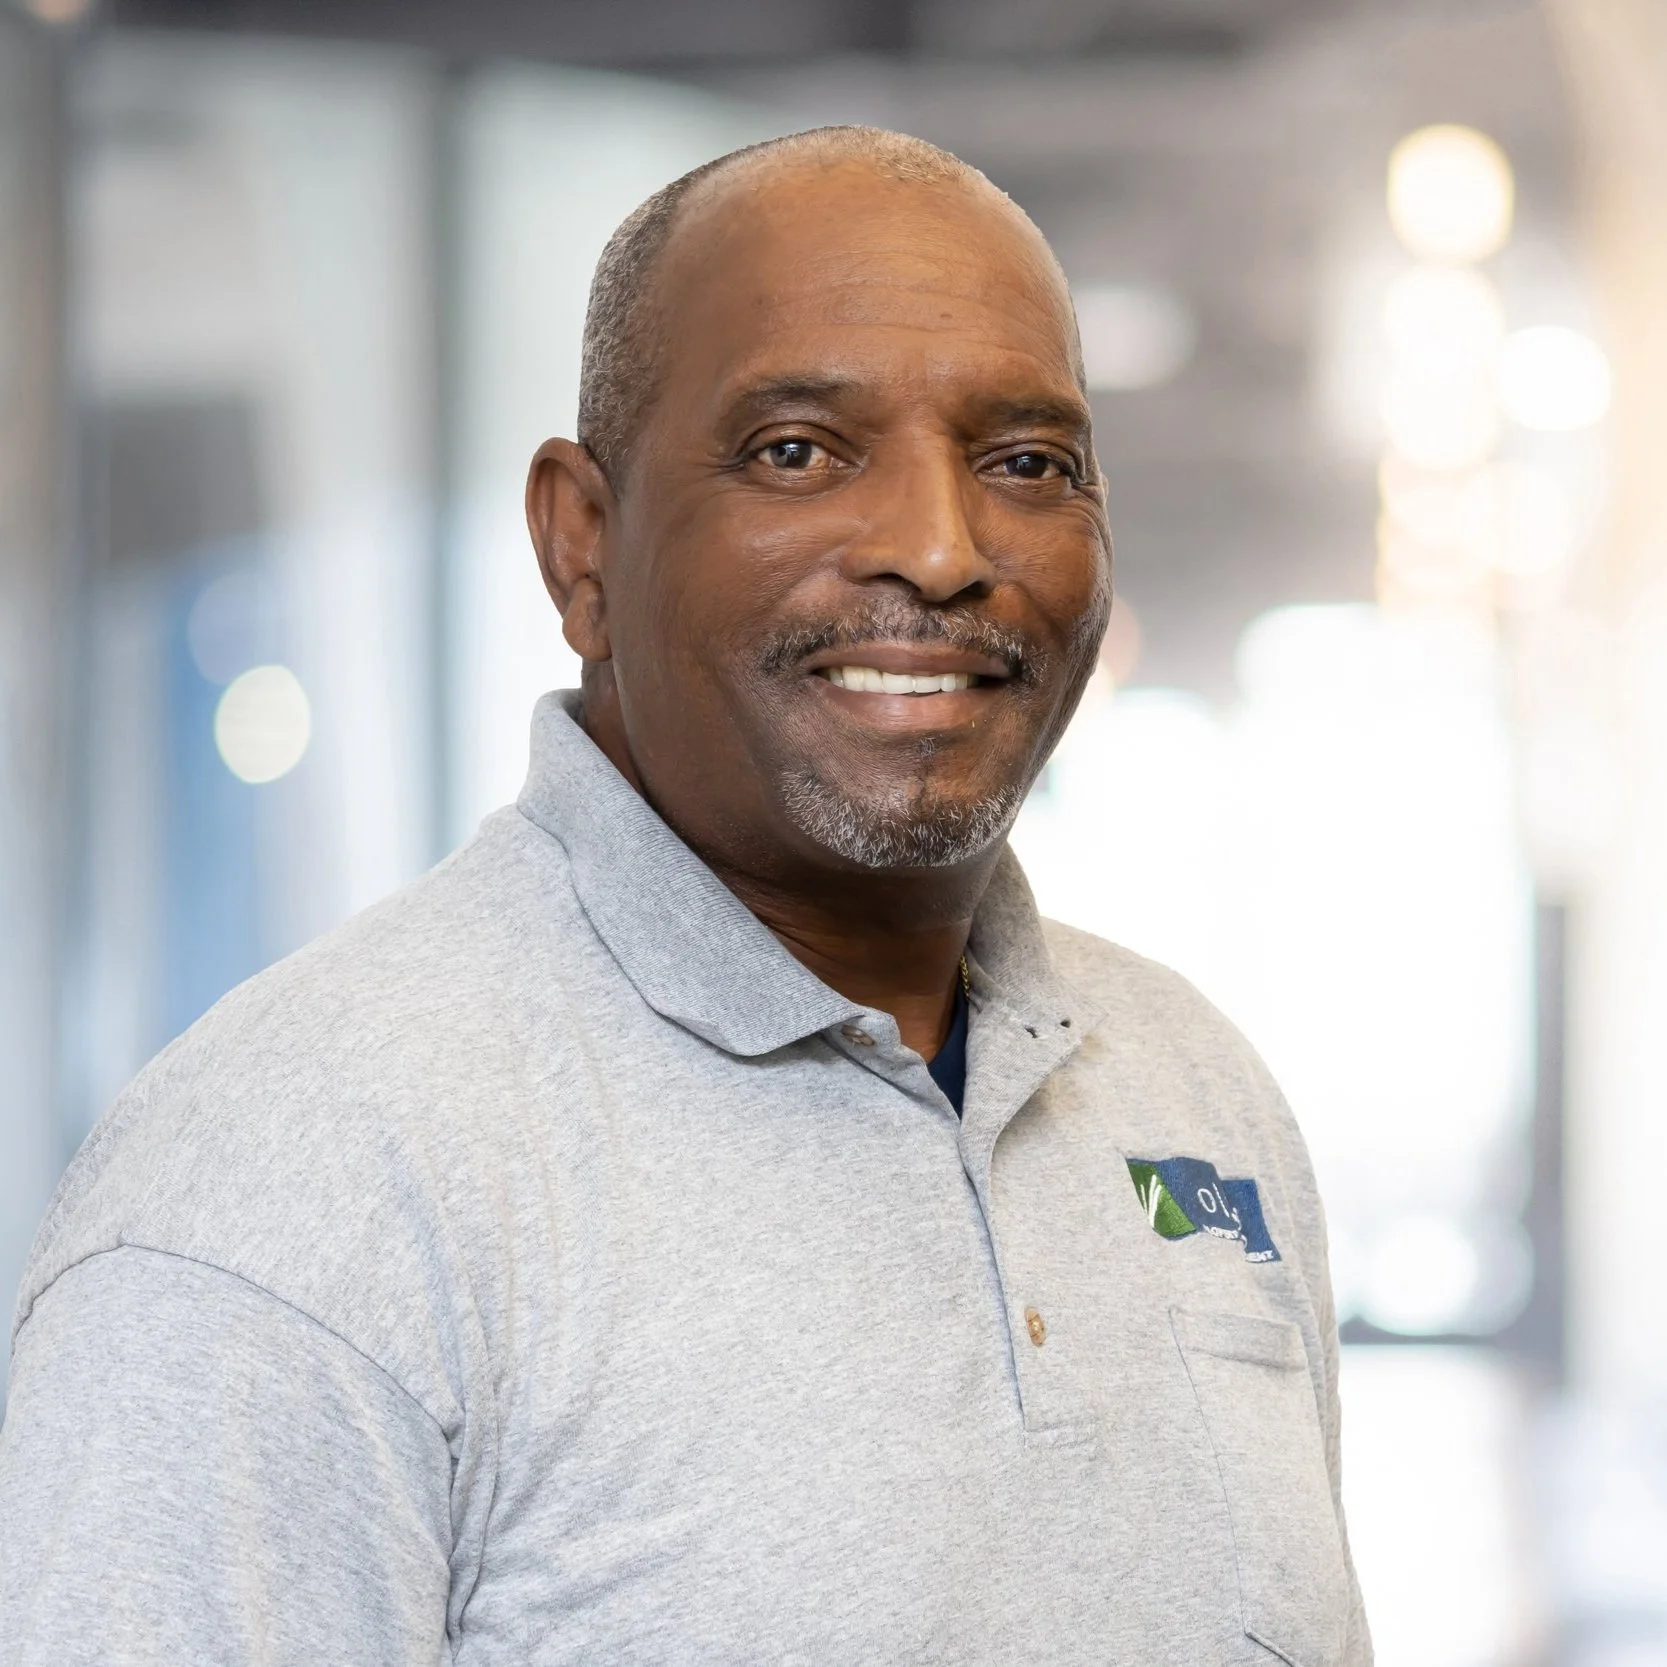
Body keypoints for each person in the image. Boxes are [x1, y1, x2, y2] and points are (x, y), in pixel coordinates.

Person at [0, 126, 1370, 1664]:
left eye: (1024, 462)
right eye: (796, 449)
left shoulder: (1188, 1092)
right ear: (581, 545)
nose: (938, 546)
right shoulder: (291, 1187)